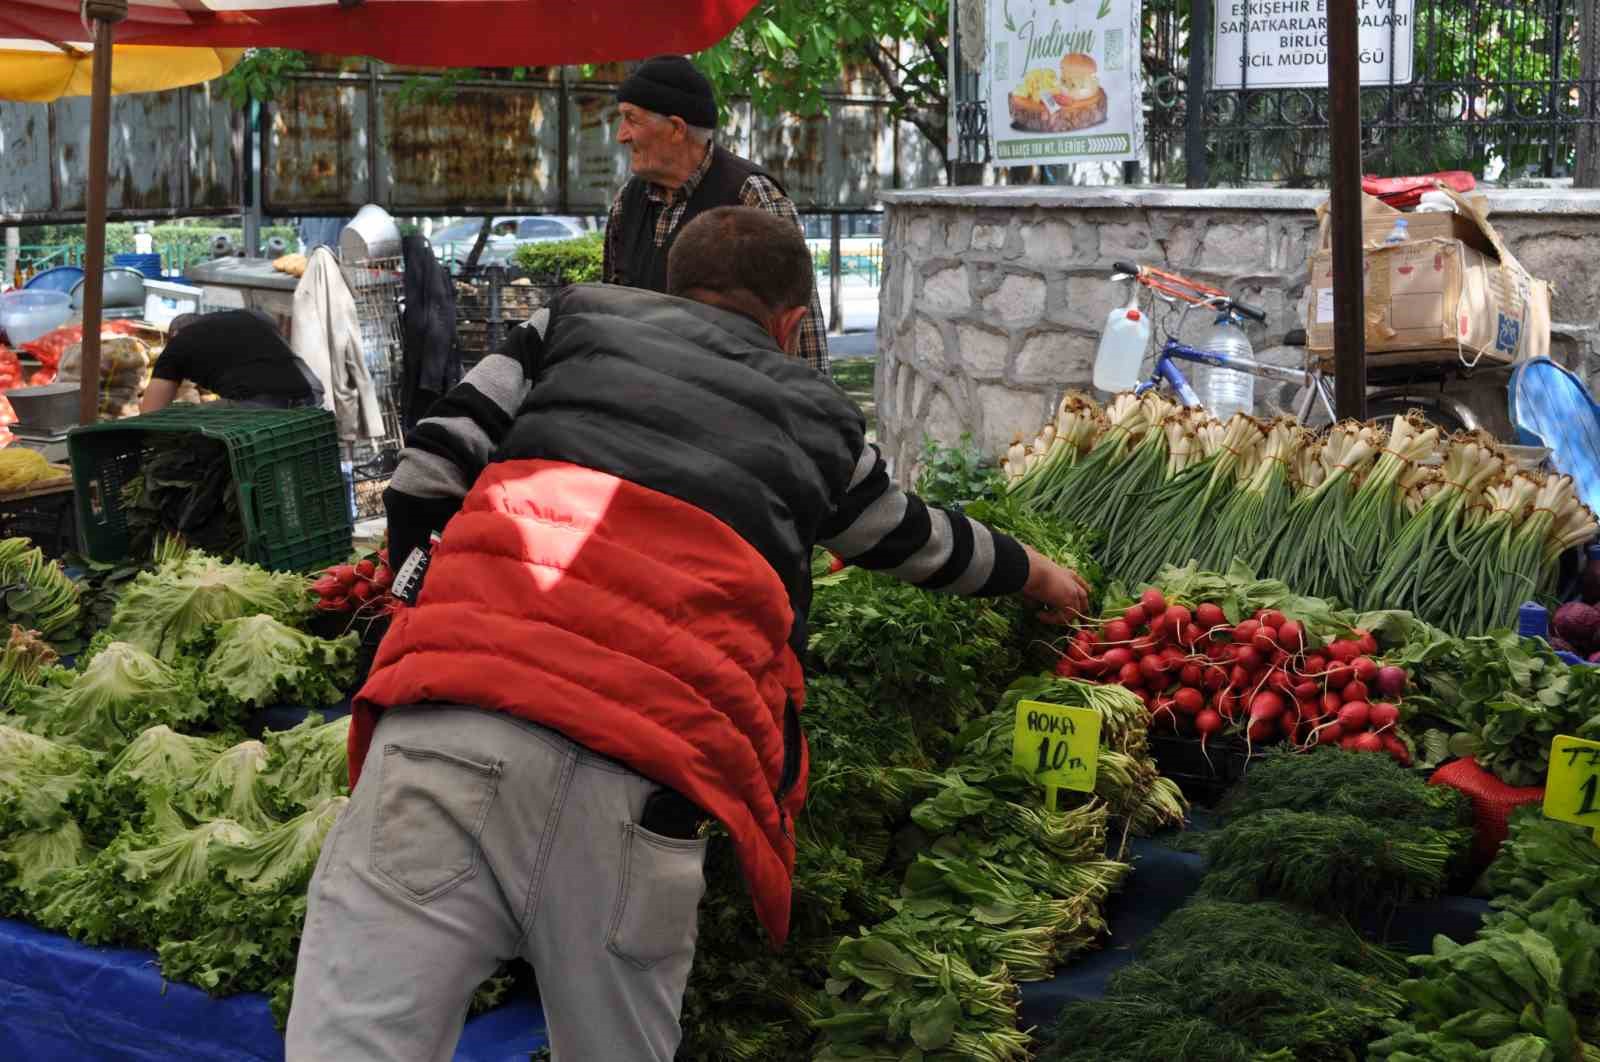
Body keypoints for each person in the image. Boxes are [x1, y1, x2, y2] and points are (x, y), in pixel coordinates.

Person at [285, 207, 1090, 1062]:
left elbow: (426, 472)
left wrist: (428, 601)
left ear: (666, 286)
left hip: (442, 729)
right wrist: (1039, 574)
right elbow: (910, 540)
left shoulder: (572, 319)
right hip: (645, 771)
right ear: (792, 322)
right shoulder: (818, 416)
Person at [603, 53, 831, 376]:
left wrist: (814, 415)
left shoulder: (751, 195)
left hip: (734, 412)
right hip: (643, 407)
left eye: (631, 119)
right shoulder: (627, 203)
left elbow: (801, 329)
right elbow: (609, 317)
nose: (621, 135)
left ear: (676, 128)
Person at [140, 309, 325, 413]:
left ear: (175, 334)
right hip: (311, 392)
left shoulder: (178, 344)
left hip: (261, 404)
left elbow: (151, 414)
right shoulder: (253, 316)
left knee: (193, 428)